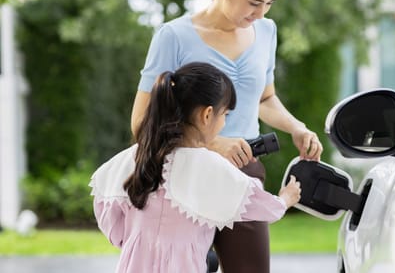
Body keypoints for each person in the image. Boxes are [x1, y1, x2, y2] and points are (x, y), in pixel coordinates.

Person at [130, 0, 323, 273]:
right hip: (184, 179)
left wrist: (297, 127)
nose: (261, 13)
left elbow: (263, 99)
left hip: (244, 174)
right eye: (254, 2)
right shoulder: (173, 36)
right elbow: (141, 123)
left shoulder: (265, 31)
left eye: (269, 4)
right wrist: (213, 143)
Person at [90, 62, 301, 273]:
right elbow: (261, 206)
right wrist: (286, 198)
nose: (224, 124)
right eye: (225, 115)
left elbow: (105, 208)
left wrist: (131, 242)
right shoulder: (210, 166)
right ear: (207, 115)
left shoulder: (134, 157)